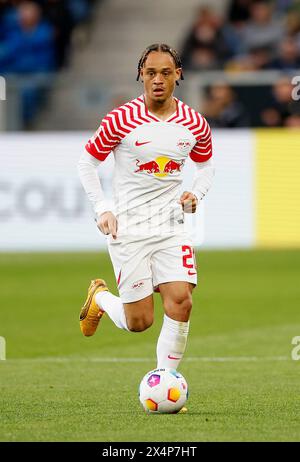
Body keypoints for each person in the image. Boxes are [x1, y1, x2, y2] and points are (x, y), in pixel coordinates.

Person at [77, 44, 214, 407]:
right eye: (150, 72)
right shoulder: (120, 120)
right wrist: (103, 208)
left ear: (178, 75)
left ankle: (164, 381)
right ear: (140, 74)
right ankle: (101, 298)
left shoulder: (194, 123)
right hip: (129, 229)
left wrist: (196, 193)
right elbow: (86, 164)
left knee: (181, 301)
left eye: (165, 72)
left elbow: (206, 165)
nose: (157, 79)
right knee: (140, 322)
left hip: (171, 225)